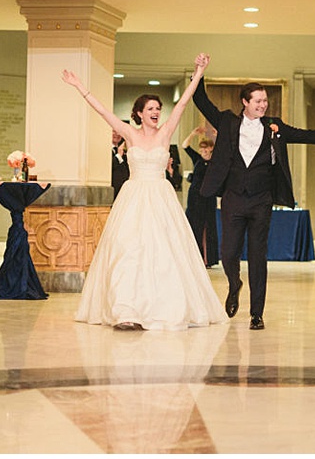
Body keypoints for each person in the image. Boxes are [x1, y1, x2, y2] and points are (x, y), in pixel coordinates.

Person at [193, 56, 315, 330]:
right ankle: (234, 283)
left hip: (262, 200)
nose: (263, 105)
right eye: (258, 101)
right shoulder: (228, 122)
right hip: (233, 198)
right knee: (228, 253)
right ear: (245, 102)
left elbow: (307, 135)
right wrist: (200, 72)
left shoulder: (274, 126)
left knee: (257, 256)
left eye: (265, 101)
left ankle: (256, 313)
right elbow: (201, 101)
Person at [61, 53, 227, 331]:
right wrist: (80, 87)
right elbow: (103, 112)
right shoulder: (130, 133)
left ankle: (165, 306)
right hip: (133, 198)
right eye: (150, 108)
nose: (155, 112)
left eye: (158, 108)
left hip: (161, 200)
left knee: (165, 254)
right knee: (128, 252)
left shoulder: (165, 133)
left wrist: (199, 73)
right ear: (139, 113)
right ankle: (125, 310)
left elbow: (184, 101)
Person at [181, 126, 219, 268]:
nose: (203, 152)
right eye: (202, 150)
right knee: (194, 225)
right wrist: (192, 133)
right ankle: (194, 258)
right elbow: (185, 146)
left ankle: (207, 259)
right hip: (195, 197)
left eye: (206, 150)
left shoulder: (215, 161)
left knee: (207, 226)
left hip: (208, 197)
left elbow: (228, 151)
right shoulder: (196, 158)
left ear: (211, 149)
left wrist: (218, 137)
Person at [110, 131, 129, 199]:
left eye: (119, 132)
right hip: (111, 192)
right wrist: (118, 155)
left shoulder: (124, 152)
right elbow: (109, 167)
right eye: (114, 131)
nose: (117, 134)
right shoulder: (104, 149)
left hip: (123, 193)